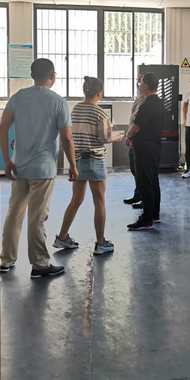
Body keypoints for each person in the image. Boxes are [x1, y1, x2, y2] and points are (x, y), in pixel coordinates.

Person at [0, 58, 78, 279]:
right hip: (43, 170)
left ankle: (6, 259)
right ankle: (40, 264)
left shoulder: (18, 97)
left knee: (14, 214)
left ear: (32, 75)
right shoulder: (58, 102)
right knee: (37, 218)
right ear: (52, 76)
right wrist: (72, 165)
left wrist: (7, 160)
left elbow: (2, 128)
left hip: (19, 167)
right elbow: (67, 137)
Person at [53, 76, 125, 256]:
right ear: (99, 93)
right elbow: (105, 138)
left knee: (76, 200)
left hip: (77, 161)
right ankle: (100, 243)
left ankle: (62, 237)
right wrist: (118, 136)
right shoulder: (100, 113)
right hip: (95, 160)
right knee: (99, 201)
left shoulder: (75, 109)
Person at [125, 72, 165, 231]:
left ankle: (146, 219)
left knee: (144, 183)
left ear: (146, 86)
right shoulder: (159, 103)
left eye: (140, 82)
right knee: (153, 181)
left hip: (144, 149)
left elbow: (136, 127)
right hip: (155, 147)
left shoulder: (147, 105)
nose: (139, 84)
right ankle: (154, 214)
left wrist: (128, 136)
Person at [123, 73, 145, 208]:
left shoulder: (147, 101)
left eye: (140, 82)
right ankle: (138, 194)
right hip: (133, 139)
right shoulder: (139, 99)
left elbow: (139, 124)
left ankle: (144, 198)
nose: (138, 85)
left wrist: (131, 136)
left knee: (141, 171)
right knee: (134, 169)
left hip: (139, 140)